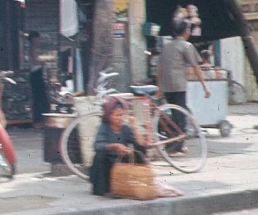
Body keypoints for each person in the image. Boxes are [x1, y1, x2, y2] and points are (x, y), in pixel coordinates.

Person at [156, 19, 210, 154]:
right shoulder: (186, 46)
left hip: (167, 85)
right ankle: (176, 144)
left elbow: (159, 67)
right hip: (179, 85)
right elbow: (196, 67)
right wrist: (204, 86)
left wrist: (159, 86)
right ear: (187, 31)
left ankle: (179, 144)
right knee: (180, 114)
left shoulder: (166, 46)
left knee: (175, 114)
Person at [89, 97, 146, 197]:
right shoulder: (104, 127)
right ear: (109, 116)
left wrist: (135, 127)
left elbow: (141, 147)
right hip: (108, 164)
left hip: (121, 164)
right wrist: (115, 146)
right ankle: (101, 189)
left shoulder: (126, 129)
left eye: (122, 115)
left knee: (139, 156)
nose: (120, 118)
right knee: (99, 156)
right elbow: (97, 145)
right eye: (117, 115)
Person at [28, 31, 50, 126]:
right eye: (38, 38)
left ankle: (42, 120)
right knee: (39, 98)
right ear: (33, 39)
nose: (40, 40)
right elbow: (35, 62)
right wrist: (44, 62)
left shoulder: (35, 48)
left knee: (41, 98)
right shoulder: (33, 48)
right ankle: (39, 121)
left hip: (37, 73)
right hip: (36, 74)